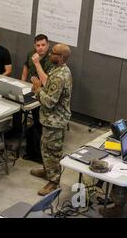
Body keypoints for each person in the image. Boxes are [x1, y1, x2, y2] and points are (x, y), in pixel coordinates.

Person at [29, 44, 72, 196]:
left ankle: (53, 181)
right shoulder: (59, 69)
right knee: (46, 147)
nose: (49, 55)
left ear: (60, 57)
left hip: (55, 120)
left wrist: (37, 89)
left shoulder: (60, 76)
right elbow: (50, 86)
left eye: (53, 53)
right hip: (50, 119)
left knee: (53, 151)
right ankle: (48, 170)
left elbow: (49, 102)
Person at [21, 34, 55, 162]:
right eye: (38, 45)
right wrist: (22, 81)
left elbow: (46, 82)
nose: (40, 48)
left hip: (43, 93)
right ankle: (15, 132)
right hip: (29, 88)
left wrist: (36, 64)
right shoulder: (31, 53)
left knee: (37, 122)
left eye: (43, 45)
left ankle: (36, 153)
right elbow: (26, 66)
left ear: (48, 45)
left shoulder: (52, 59)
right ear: (34, 46)